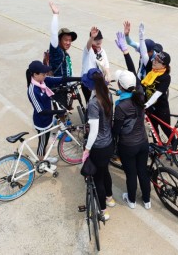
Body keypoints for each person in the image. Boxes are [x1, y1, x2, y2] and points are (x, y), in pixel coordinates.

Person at [113, 32, 151, 209]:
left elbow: (117, 129)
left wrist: (113, 143)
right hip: (143, 142)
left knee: (131, 173)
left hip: (128, 146)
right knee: (143, 171)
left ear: (120, 86)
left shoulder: (121, 106)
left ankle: (132, 201)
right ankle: (147, 200)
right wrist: (126, 52)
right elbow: (135, 76)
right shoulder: (141, 96)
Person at [26, 61, 79, 167]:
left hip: (48, 118)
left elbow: (62, 79)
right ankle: (41, 162)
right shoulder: (32, 90)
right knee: (43, 143)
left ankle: (44, 157)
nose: (46, 75)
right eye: (43, 73)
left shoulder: (43, 81)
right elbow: (41, 111)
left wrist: (81, 78)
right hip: (41, 122)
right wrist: (58, 112)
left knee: (45, 140)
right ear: (35, 75)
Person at [81, 68, 115, 220]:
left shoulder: (95, 103)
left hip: (98, 147)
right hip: (109, 143)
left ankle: (103, 210)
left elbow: (93, 131)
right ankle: (110, 198)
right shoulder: (108, 94)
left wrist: (86, 150)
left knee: (97, 179)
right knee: (105, 171)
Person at [138, 24, 173, 141]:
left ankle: (173, 147)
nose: (154, 62)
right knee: (153, 130)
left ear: (163, 65)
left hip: (160, 109)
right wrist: (141, 37)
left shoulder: (165, 77)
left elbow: (157, 94)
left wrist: (146, 105)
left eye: (158, 61)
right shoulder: (151, 70)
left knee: (166, 130)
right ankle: (157, 148)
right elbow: (143, 53)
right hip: (150, 108)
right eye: (155, 59)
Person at [48, 1, 77, 109]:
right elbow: (54, 34)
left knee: (65, 111)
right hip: (58, 89)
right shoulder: (56, 51)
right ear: (59, 41)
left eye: (70, 40)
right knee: (61, 115)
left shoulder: (65, 53)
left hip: (66, 88)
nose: (68, 42)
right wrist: (55, 15)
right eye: (65, 40)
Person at [81, 26, 110, 103]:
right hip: (88, 81)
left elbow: (106, 65)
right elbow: (88, 45)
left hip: (99, 81)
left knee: (101, 102)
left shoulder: (102, 51)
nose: (98, 41)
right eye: (95, 39)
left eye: (100, 39)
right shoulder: (88, 50)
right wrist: (91, 38)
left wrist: (108, 75)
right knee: (90, 103)